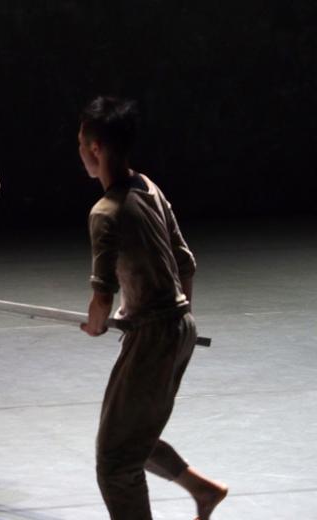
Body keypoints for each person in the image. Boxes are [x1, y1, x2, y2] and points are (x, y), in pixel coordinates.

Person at [78, 96, 227, 519]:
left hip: (155, 337)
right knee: (132, 438)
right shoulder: (149, 187)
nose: (80, 152)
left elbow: (101, 299)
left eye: (81, 144)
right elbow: (185, 264)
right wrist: (177, 319)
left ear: (95, 148)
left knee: (115, 462)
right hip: (179, 328)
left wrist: (97, 324)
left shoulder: (105, 212)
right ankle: (203, 490)